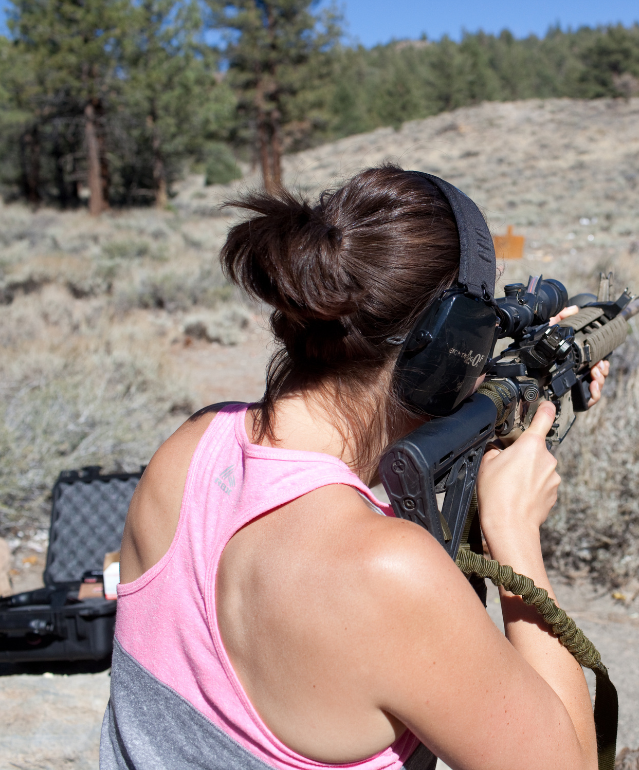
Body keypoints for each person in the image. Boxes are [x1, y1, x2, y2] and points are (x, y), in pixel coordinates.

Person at [101, 166, 611, 770]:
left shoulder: (189, 447)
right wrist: (514, 535)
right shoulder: (388, 572)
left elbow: (309, 494)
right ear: (446, 350)